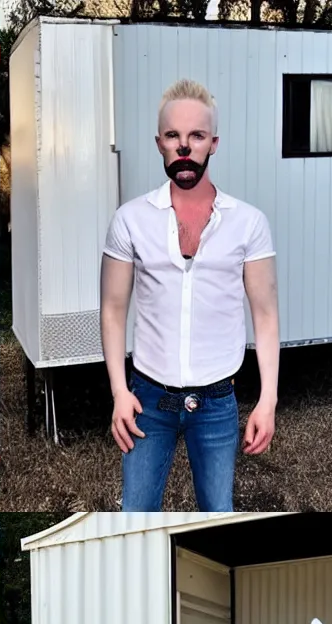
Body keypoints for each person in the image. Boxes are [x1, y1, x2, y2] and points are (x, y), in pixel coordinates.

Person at [100, 79, 279, 511]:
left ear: (213, 143)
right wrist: (119, 392)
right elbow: (112, 309)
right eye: (173, 136)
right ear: (159, 143)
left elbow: (266, 315)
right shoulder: (130, 220)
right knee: (134, 516)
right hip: (147, 400)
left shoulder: (249, 223)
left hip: (218, 402)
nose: (185, 146)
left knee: (218, 515)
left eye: (196, 136)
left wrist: (268, 400)